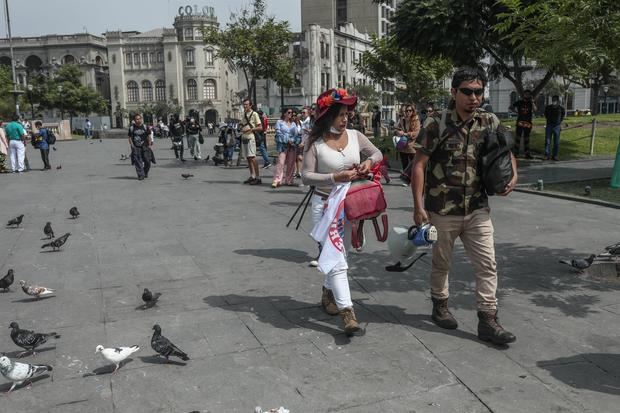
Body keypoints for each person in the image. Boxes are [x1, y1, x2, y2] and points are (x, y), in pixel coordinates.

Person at [411, 67, 518, 345]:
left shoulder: (489, 121)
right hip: (442, 208)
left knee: (488, 265)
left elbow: (506, 151)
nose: (474, 97)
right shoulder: (436, 122)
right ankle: (440, 305)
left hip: (477, 209)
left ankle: (488, 319)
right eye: (467, 91)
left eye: (478, 91)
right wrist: (418, 207)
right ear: (454, 92)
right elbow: (419, 166)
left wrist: (513, 176)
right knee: (442, 263)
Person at [302, 88, 382, 336]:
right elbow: (305, 176)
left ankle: (328, 292)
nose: (345, 118)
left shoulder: (356, 136)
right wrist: (334, 177)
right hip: (324, 206)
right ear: (327, 115)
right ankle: (348, 313)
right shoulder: (314, 143)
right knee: (337, 259)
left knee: (341, 255)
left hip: (351, 206)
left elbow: (377, 153)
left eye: (347, 113)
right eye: (339, 114)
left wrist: (368, 163)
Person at [272, 108, 300, 188]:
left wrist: (293, 141)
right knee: (281, 162)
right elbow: (278, 133)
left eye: (291, 113)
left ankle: (289, 180)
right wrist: (287, 140)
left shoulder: (293, 123)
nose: (290, 114)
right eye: (289, 112)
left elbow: (296, 135)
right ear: (284, 113)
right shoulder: (279, 122)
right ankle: (277, 180)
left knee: (291, 163)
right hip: (283, 145)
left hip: (292, 145)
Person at [395, 103, 421, 179]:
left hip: (412, 146)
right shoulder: (402, 120)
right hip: (402, 145)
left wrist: (405, 134)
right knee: (404, 164)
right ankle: (406, 178)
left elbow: (416, 133)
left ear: (413, 111)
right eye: (406, 110)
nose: (408, 112)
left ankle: (413, 178)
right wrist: (398, 132)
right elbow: (396, 129)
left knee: (413, 164)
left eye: (410, 110)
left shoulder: (416, 121)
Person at [239, 98, 263, 184]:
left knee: (252, 158)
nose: (245, 106)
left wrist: (251, 129)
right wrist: (241, 127)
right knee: (248, 158)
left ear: (250, 105)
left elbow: (260, 127)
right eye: (244, 104)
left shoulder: (254, 114)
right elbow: (241, 124)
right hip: (244, 137)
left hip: (251, 138)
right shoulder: (244, 114)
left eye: (246, 104)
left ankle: (258, 177)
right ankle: (252, 175)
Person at [510, 90, 536, 159]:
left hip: (528, 123)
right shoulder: (519, 102)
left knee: (526, 138)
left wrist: (533, 102)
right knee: (518, 138)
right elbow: (511, 107)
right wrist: (515, 112)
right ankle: (515, 153)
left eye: (528, 94)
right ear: (524, 95)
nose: (527, 95)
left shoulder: (531, 103)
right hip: (520, 122)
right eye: (526, 94)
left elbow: (535, 110)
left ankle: (527, 154)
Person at [128, 114, 153, 180]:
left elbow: (149, 136)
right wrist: (132, 145)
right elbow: (130, 137)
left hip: (145, 146)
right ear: (134, 120)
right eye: (137, 119)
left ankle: (145, 172)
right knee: (138, 162)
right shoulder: (132, 128)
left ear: (141, 119)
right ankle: (140, 175)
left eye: (139, 119)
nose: (138, 120)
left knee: (147, 161)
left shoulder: (145, 127)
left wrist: (150, 145)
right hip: (136, 147)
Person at [544, 95, 566, 161]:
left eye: (555, 100)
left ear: (558, 101)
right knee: (547, 141)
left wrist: (559, 122)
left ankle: (555, 156)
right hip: (549, 126)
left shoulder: (561, 108)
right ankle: (546, 155)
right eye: (553, 99)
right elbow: (546, 114)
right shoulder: (548, 107)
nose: (554, 101)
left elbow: (562, 115)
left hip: (557, 127)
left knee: (556, 142)